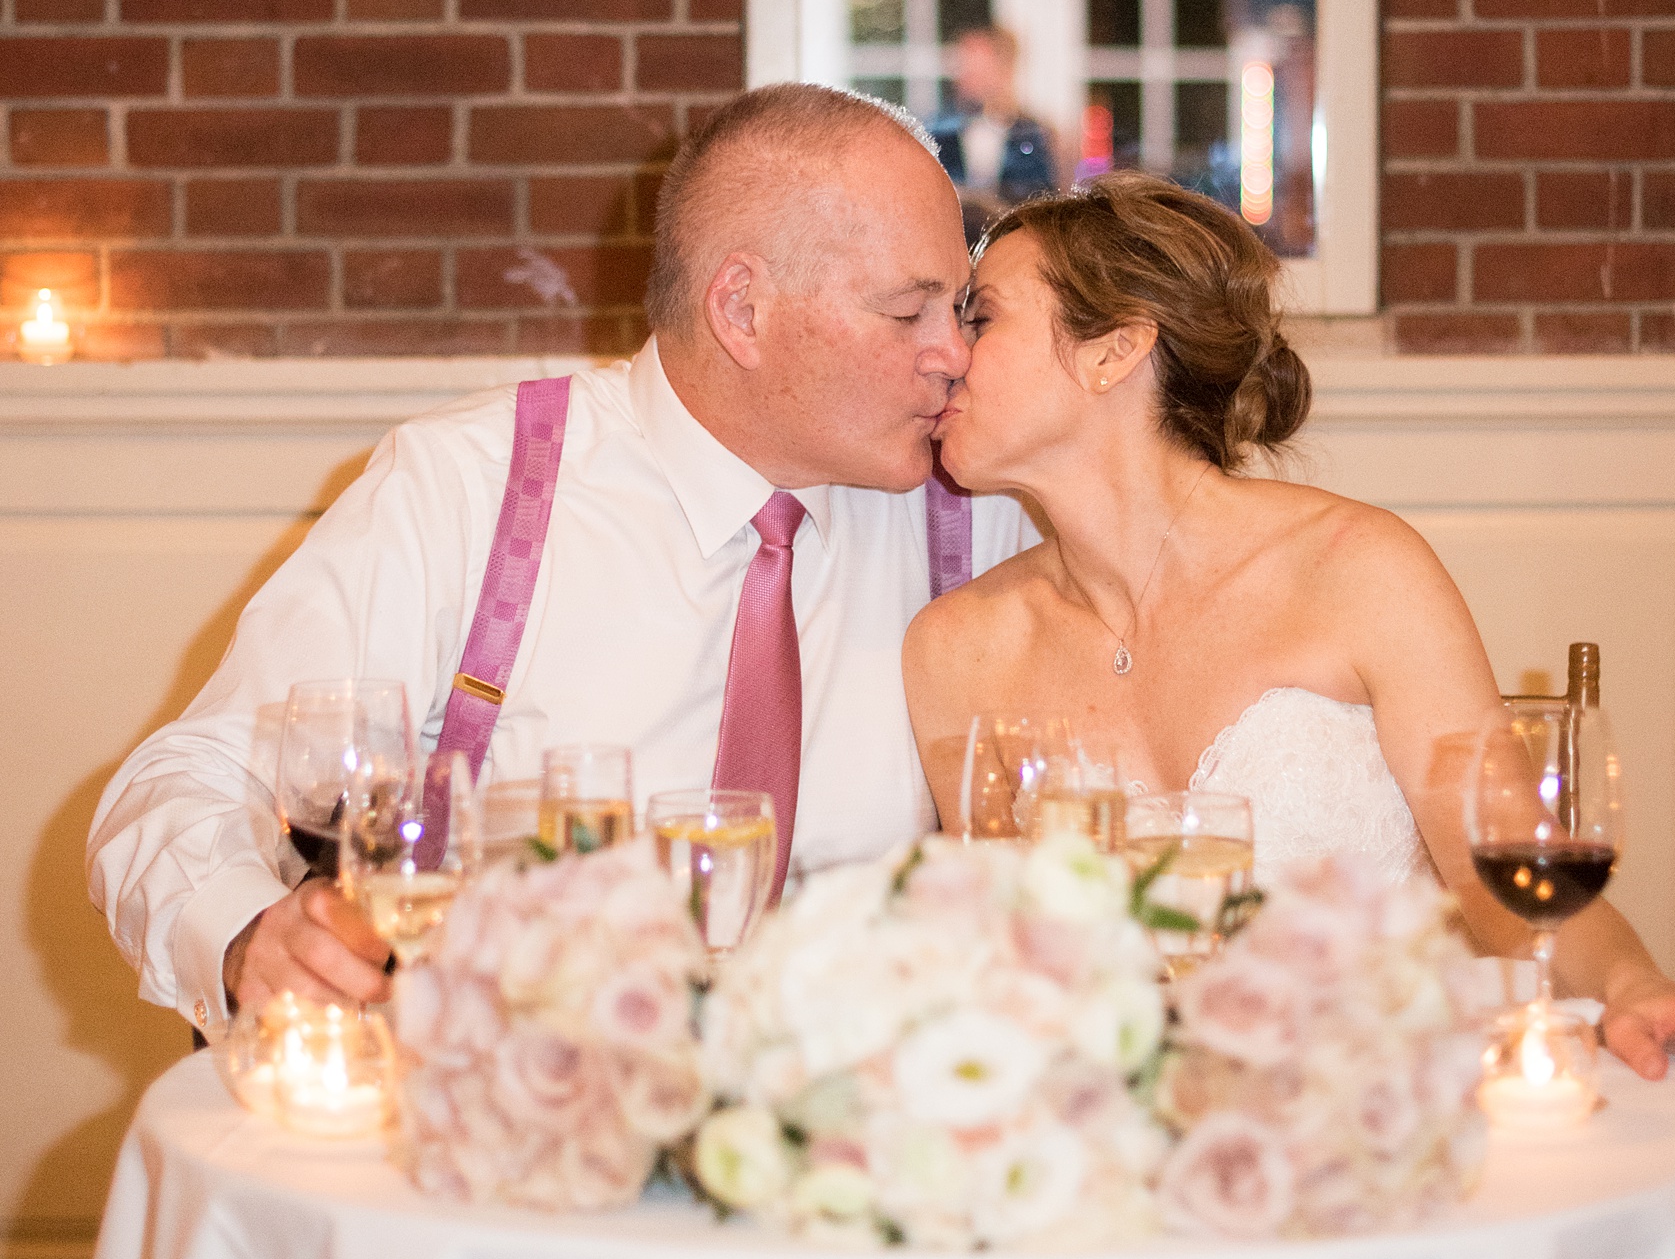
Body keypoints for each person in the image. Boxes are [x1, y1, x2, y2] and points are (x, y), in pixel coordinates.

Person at [89, 87, 1036, 1027]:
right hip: (506, 1127)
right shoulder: (468, 488)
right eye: (910, 312)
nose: (954, 353)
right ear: (741, 309)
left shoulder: (980, 515)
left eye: (957, 306)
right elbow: (186, 781)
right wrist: (249, 931)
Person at [903, 171, 1675, 1082]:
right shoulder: (955, 649)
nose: (944, 354)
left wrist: (1632, 979)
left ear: (1112, 351)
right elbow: (1011, 965)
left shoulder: (1357, 570)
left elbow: (1504, 874)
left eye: (981, 316)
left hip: (1374, 1111)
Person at [931, 25, 1067, 216]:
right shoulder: (935, 133)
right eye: (961, 65)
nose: (963, 76)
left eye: (975, 66)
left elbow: (1049, 205)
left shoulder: (1037, 135)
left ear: (1004, 70)